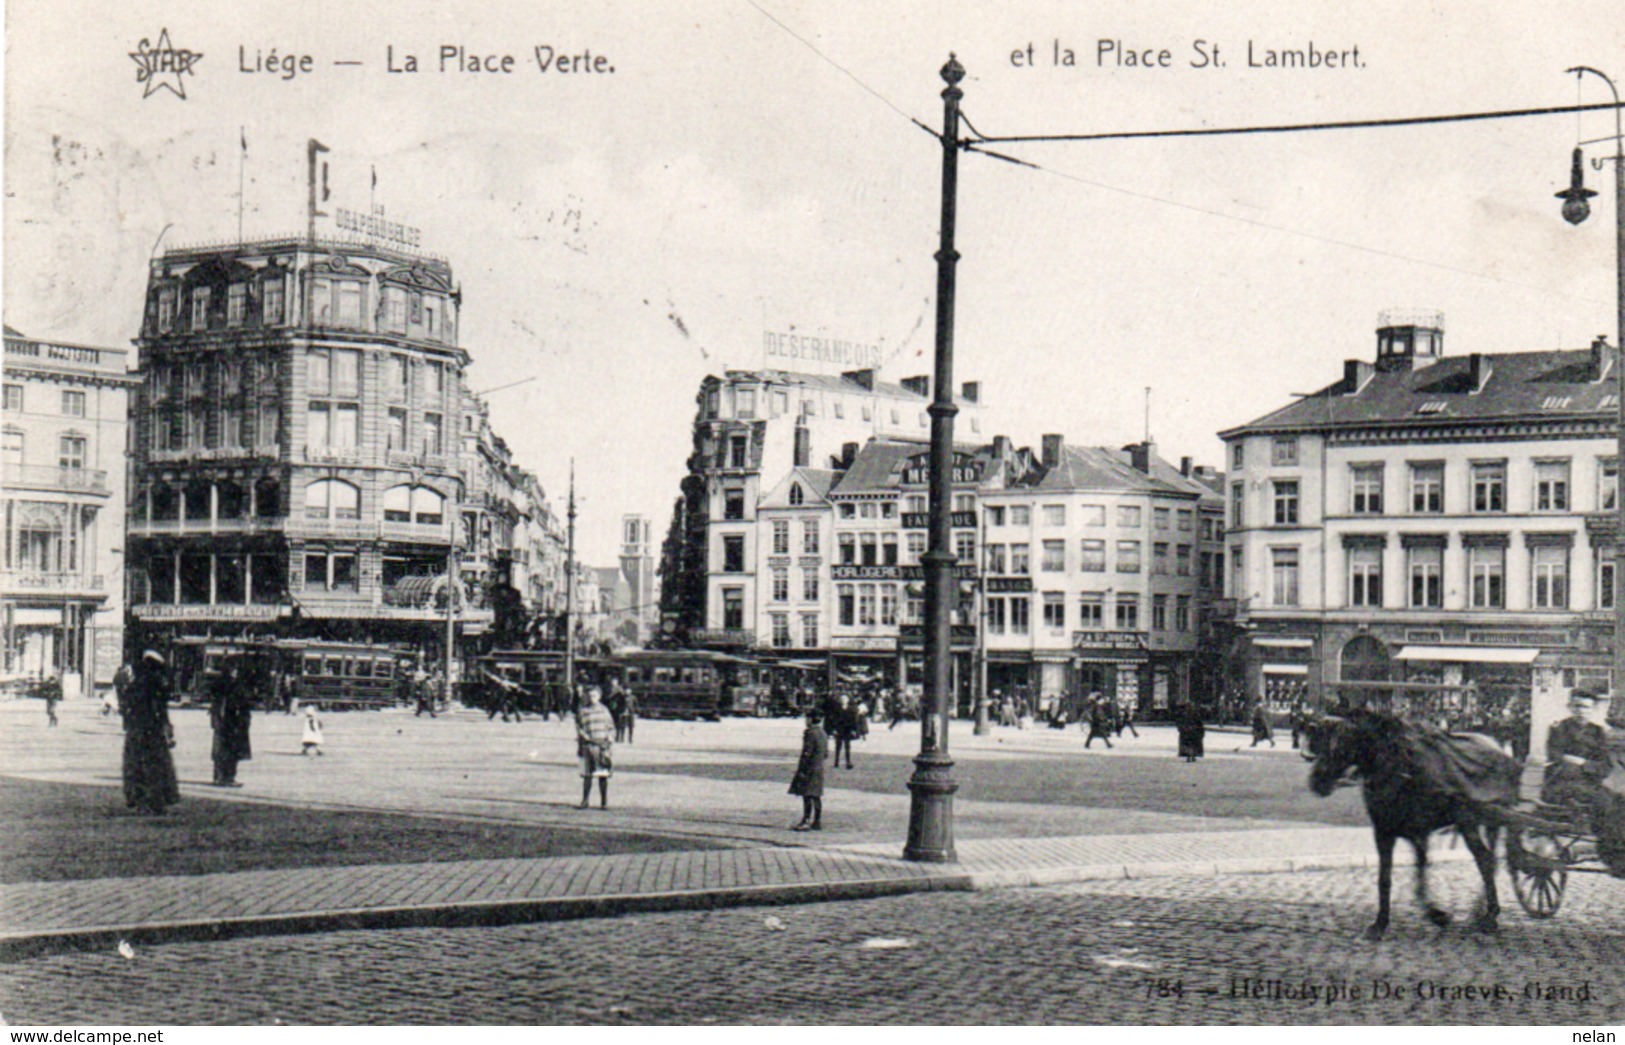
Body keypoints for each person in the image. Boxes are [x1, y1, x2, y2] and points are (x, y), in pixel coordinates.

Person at [122, 651, 179, 815]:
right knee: (155, 766)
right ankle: (155, 802)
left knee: (138, 766)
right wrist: (166, 726)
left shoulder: (135, 685)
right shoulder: (156, 685)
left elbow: (127, 709)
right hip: (152, 731)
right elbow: (160, 710)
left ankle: (142, 801)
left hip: (136, 731)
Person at [1542, 690, 1612, 812]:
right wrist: (1568, 761)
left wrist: (1583, 763)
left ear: (1593, 709)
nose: (1581, 711)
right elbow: (1553, 755)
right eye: (1577, 706)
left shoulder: (1598, 732)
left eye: (1586, 707)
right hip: (1561, 783)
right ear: (1569, 707)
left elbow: (1605, 766)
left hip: (1588, 783)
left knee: (1609, 806)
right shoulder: (1559, 729)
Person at [208, 661, 253, 786]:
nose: (235, 672)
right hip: (230, 722)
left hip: (232, 722)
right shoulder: (230, 685)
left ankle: (222, 776)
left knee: (225, 751)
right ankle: (225, 777)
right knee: (227, 751)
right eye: (233, 669)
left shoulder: (228, 684)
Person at [575, 686, 615, 809]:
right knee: (587, 776)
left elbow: (611, 727)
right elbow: (579, 727)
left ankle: (604, 802)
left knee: (602, 775)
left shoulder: (604, 710)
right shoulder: (583, 711)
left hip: (602, 746)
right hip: (588, 746)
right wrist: (583, 736)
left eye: (595, 696)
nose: (592, 698)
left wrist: (610, 737)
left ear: (599, 696)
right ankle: (585, 801)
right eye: (590, 696)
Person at [788, 708, 828, 831]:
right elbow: (825, 753)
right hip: (818, 767)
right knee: (816, 795)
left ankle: (805, 820)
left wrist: (802, 769)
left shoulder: (810, 733)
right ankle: (817, 821)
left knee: (807, 795)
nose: (806, 721)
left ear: (811, 719)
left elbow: (807, 752)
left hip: (809, 768)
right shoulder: (823, 733)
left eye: (807, 718)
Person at [828, 693, 855, 769]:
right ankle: (836, 762)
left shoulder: (851, 709)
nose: (843, 701)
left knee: (847, 746)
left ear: (848, 701)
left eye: (845, 699)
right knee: (838, 746)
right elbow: (833, 719)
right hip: (839, 729)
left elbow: (853, 720)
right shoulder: (836, 709)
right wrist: (833, 729)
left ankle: (848, 762)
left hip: (847, 730)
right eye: (842, 699)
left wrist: (853, 729)